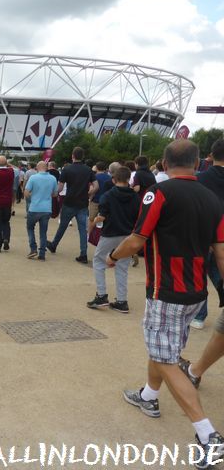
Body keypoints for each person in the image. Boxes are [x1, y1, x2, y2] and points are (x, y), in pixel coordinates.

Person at [108, 140, 224, 468]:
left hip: (165, 291)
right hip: (195, 292)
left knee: (166, 356)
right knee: (164, 347)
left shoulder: (158, 193)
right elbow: (221, 250)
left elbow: (136, 239)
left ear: (164, 162)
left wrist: (114, 257)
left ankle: (207, 435)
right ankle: (149, 396)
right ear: (199, 161)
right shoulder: (213, 200)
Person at [86, 166, 140, 312]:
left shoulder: (108, 195)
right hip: (127, 236)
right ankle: (122, 300)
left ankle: (101, 295)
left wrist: (93, 222)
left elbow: (102, 216)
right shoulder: (135, 197)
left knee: (98, 261)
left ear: (114, 179)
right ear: (129, 179)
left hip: (110, 233)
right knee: (122, 266)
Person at [189, 138, 224, 329]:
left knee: (200, 274)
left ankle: (200, 316)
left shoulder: (199, 178)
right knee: (217, 271)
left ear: (211, 155)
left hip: (204, 235)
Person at [46, 147, 99, 264]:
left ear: (72, 156)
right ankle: (83, 254)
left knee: (63, 226)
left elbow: (60, 188)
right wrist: (89, 193)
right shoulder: (88, 170)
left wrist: (54, 194)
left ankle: (54, 244)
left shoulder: (67, 169)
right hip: (83, 203)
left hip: (69, 202)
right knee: (82, 230)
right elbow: (96, 186)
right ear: (83, 156)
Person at [24, 161, 57, 260]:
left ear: (37, 168)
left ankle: (33, 248)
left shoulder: (33, 178)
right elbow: (55, 194)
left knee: (30, 228)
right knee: (43, 231)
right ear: (46, 168)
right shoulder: (52, 178)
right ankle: (42, 253)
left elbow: (26, 192)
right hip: (46, 208)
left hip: (34, 207)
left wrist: (32, 198)